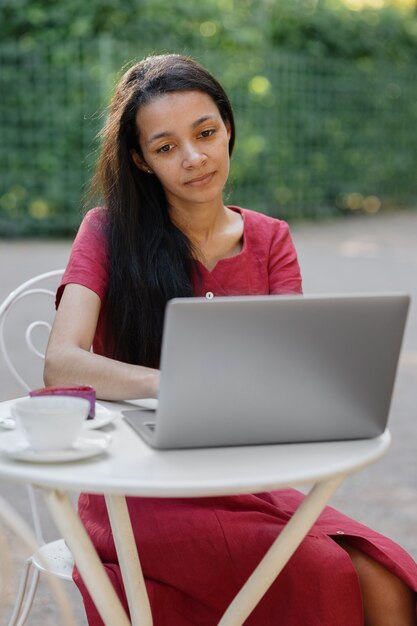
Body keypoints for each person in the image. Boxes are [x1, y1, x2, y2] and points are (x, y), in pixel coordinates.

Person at [44, 54, 417, 626]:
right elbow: (62, 365)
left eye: (206, 133)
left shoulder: (270, 239)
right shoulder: (107, 231)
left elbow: (291, 371)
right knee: (322, 573)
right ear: (142, 160)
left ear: (228, 129)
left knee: (389, 580)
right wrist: (179, 387)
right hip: (135, 487)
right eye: (167, 147)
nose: (195, 158)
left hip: (240, 479)